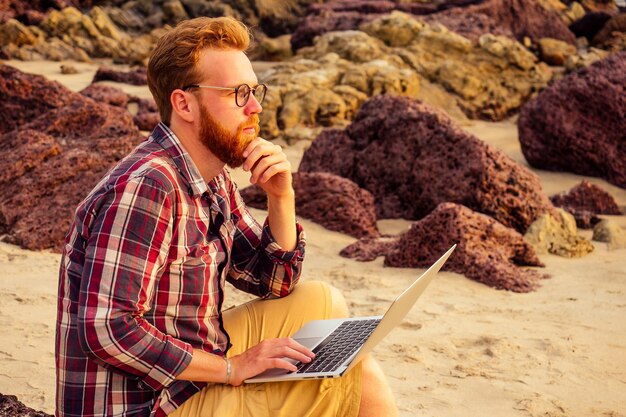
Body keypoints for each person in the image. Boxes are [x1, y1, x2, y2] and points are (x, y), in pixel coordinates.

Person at [55, 16, 397, 417]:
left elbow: (275, 281)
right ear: (184, 103)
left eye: (255, 91)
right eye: (238, 93)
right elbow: (108, 329)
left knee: (321, 301)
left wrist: (280, 196)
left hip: (185, 364)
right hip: (144, 404)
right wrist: (234, 368)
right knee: (356, 375)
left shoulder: (211, 176)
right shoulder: (150, 186)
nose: (255, 108)